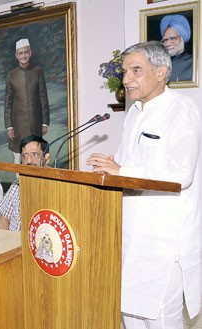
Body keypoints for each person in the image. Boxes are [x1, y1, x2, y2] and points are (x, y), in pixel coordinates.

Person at [86, 41, 202, 328]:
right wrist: (114, 165)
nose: (126, 79)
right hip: (130, 238)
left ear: (161, 72)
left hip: (164, 242)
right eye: (125, 71)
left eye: (136, 70)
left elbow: (180, 174)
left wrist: (123, 168)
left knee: (161, 318)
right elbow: (131, 163)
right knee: (130, 316)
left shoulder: (182, 109)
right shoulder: (135, 112)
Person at [4, 38, 50, 163]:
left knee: (37, 153)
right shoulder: (11, 75)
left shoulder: (38, 71)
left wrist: (45, 122)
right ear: (16, 56)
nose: (23, 55)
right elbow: (7, 103)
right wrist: (9, 126)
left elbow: (43, 97)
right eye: (20, 53)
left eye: (25, 52)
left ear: (30, 53)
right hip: (17, 125)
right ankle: (19, 181)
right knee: (18, 155)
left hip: (36, 123)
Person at [0, 135, 50, 231]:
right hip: (13, 242)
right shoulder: (17, 185)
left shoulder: (57, 186)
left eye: (35, 154)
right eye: (25, 156)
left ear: (47, 158)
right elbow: (4, 219)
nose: (28, 161)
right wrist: (5, 240)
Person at [160, 14, 192, 82]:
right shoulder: (159, 63)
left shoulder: (193, 63)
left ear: (183, 39)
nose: (167, 44)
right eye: (165, 40)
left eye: (173, 38)